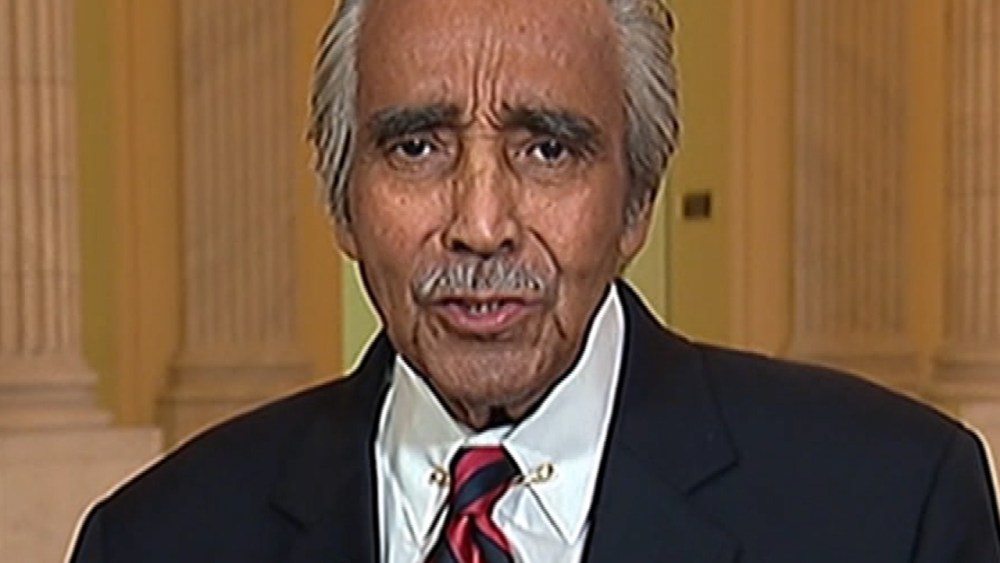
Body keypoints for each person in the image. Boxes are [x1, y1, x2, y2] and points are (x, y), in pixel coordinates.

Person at [69, 0, 1000, 561]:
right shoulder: (158, 539)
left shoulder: (893, 509)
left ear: (636, 202)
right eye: (417, 146)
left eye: (548, 148)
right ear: (342, 200)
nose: (481, 224)